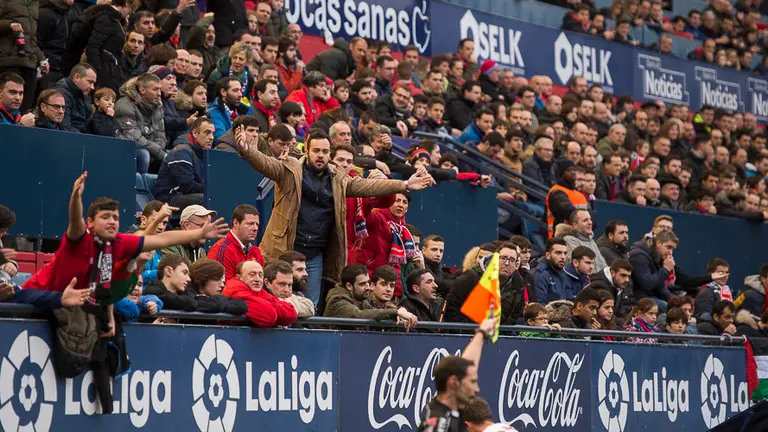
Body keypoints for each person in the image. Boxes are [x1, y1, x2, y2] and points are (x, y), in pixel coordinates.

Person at [232, 128, 433, 306]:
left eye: (325, 151)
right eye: (316, 151)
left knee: (309, 305)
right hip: (286, 249)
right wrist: (247, 150)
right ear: (307, 151)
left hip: (316, 255)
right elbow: (265, 164)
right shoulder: (290, 169)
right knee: (278, 299)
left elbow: (367, 186)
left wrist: (404, 184)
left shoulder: (338, 178)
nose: (321, 155)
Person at [417, 317, 497, 432]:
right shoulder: (440, 425)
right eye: (472, 382)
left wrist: (481, 332)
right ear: (453, 382)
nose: (477, 389)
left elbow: (468, 364)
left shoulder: (450, 408)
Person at [629, 229, 713, 312]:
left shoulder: (658, 255)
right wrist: (665, 269)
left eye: (673, 249)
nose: (670, 252)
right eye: (668, 247)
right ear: (658, 243)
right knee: (670, 309)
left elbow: (661, 287)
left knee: (681, 307)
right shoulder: (638, 255)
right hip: (639, 298)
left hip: (654, 296)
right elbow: (647, 284)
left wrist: (675, 301)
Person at [323, 263, 417, 326]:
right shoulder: (337, 300)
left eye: (367, 282)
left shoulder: (360, 299)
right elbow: (358, 315)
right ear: (349, 286)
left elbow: (374, 312)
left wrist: (398, 315)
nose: (368, 287)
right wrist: (396, 312)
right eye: (362, 284)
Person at [153, 116, 214, 207]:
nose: (211, 138)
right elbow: (187, 186)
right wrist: (213, 189)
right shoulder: (181, 151)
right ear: (195, 133)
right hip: (169, 198)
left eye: (213, 133)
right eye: (207, 133)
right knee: (208, 199)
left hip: (185, 195)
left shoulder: (204, 154)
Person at [115, 73, 167, 173]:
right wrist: (158, 151)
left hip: (150, 147)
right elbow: (134, 138)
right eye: (155, 89)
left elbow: (160, 134)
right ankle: (138, 186)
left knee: (174, 155)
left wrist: (159, 148)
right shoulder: (124, 105)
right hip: (126, 148)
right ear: (142, 90)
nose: (159, 93)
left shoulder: (158, 106)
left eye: (160, 89)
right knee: (144, 154)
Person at [222, 260, 298, 327]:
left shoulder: (258, 291)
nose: (257, 279)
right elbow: (269, 316)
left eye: (260, 275)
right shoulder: (235, 289)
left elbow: (291, 314)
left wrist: (267, 304)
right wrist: (270, 304)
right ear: (239, 277)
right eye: (252, 274)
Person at [207, 204, 265, 282]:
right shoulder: (222, 250)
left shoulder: (256, 251)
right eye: (250, 224)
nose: (255, 228)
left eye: (257, 224)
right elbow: (225, 289)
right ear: (236, 223)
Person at [545, 158, 587, 236]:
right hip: (560, 237)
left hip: (580, 237)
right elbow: (567, 210)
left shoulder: (580, 195)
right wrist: (585, 218)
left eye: (574, 170)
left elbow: (592, 217)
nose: (573, 172)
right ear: (561, 174)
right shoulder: (556, 192)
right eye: (568, 170)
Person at [54, 63, 96, 133]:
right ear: (77, 77)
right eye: (90, 82)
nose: (92, 87)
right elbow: (64, 127)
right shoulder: (62, 93)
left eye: (94, 83)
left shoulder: (85, 94)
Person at [533, 238, 569, 303]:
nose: (563, 257)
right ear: (548, 255)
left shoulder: (563, 273)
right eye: (558, 253)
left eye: (565, 253)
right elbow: (540, 304)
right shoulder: (541, 274)